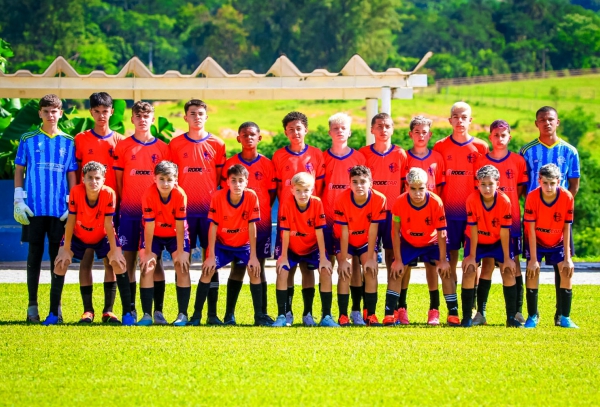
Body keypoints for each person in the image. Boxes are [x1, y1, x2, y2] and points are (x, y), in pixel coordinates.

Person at [44, 162, 134, 326]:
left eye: (97, 178)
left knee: (118, 263)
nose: (94, 181)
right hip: (78, 234)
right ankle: (55, 314)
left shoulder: (109, 193)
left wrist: (114, 250)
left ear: (103, 180)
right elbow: (70, 221)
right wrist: (65, 249)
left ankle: (124, 314)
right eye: (90, 178)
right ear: (83, 179)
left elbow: (109, 224)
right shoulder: (75, 192)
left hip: (101, 234)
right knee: (60, 263)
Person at [14, 94, 77, 323]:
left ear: (61, 113)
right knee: (34, 255)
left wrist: (72, 202)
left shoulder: (68, 141)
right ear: (40, 113)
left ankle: (55, 308)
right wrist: (18, 198)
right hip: (34, 209)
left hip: (59, 210)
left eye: (55, 111)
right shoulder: (28, 139)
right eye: (46, 111)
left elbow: (71, 173)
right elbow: (19, 168)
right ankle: (32, 307)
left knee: (57, 258)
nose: (51, 115)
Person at [188, 164, 271, 326]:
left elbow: (252, 226)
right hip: (222, 244)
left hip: (243, 245)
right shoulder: (218, 196)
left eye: (241, 181)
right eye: (234, 180)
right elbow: (213, 227)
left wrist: (253, 256)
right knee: (208, 270)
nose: (237, 184)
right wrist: (210, 255)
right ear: (227, 182)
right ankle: (197, 316)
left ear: (247, 182)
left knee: (255, 271)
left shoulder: (251, 196)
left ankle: (259, 316)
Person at [520, 106, 580, 326]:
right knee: (533, 265)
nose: (547, 123)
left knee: (563, 266)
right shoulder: (527, 151)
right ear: (536, 123)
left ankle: (561, 315)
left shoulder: (570, 150)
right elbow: (523, 185)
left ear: (558, 122)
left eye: (551, 119)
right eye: (542, 120)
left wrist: (559, 208)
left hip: (559, 219)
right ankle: (532, 315)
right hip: (535, 217)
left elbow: (574, 184)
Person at [169, 99, 226, 325]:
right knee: (182, 260)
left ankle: (211, 314)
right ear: (185, 117)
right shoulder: (175, 145)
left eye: (201, 113)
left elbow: (221, 180)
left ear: (206, 116)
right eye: (192, 113)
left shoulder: (218, 144)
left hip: (210, 214)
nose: (196, 117)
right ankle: (183, 313)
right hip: (183, 214)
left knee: (210, 260)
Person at [113, 101, 170, 323]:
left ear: (153, 119)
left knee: (155, 261)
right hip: (129, 212)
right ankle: (130, 309)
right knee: (128, 261)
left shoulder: (163, 148)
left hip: (155, 216)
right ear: (132, 119)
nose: (143, 119)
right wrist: (122, 207)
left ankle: (158, 311)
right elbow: (119, 182)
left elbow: (169, 183)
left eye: (147, 116)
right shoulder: (123, 146)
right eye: (138, 115)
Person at [433, 102, 489, 325]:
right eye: (455, 116)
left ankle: (472, 303)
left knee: (472, 261)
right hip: (447, 215)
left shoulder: (480, 147)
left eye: (463, 116)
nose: (459, 120)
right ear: (450, 120)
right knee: (448, 260)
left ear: (470, 120)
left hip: (473, 215)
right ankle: (453, 307)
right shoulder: (440, 147)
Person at [74, 92, 124, 324]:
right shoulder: (81, 139)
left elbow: (122, 176)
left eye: (106, 111)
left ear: (111, 111)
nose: (102, 115)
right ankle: (87, 310)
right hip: (85, 208)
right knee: (85, 258)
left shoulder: (121, 141)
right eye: (97, 111)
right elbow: (75, 173)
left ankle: (108, 310)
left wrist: (121, 202)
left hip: (112, 209)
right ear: (91, 112)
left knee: (110, 259)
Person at [272, 111, 325, 326]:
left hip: (311, 219)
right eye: (291, 129)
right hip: (288, 220)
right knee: (286, 267)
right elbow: (276, 189)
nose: (295, 132)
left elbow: (319, 186)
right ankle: (286, 313)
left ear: (306, 130)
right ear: (286, 132)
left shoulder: (316, 154)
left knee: (308, 269)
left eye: (299, 128)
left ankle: (308, 313)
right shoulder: (278, 156)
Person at [220, 122, 276, 325]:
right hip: (237, 224)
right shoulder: (231, 164)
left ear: (259, 138)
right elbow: (224, 192)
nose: (248, 138)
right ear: (238, 138)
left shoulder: (267, 164)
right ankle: (229, 315)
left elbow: (271, 193)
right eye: (244, 135)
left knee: (258, 266)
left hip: (260, 225)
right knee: (238, 266)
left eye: (252, 134)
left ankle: (260, 314)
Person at [475, 120, 528, 324]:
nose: (499, 138)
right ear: (490, 137)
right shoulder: (480, 161)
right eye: (496, 135)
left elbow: (521, 189)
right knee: (487, 265)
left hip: (511, 222)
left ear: (509, 137)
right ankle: (481, 313)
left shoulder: (518, 161)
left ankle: (517, 311)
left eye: (503, 135)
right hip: (487, 223)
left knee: (512, 265)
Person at [394, 115, 446, 324]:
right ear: (410, 134)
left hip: (431, 217)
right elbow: (401, 187)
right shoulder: (404, 157)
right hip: (408, 218)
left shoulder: (438, 158)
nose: (421, 135)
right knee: (404, 265)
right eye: (417, 131)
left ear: (430, 134)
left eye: (425, 131)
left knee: (432, 265)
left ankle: (434, 309)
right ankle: (401, 309)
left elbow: (439, 189)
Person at [359, 113, 407, 324]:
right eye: (379, 126)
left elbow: (406, 186)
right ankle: (367, 310)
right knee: (366, 259)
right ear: (372, 130)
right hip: (369, 215)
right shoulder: (363, 154)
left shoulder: (400, 154)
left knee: (393, 259)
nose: (383, 130)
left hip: (393, 214)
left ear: (393, 129)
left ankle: (394, 309)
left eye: (387, 126)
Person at [387, 167, 451, 326]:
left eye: (421, 188)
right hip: (409, 241)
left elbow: (442, 232)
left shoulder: (436, 201)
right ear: (406, 186)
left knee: (443, 270)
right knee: (397, 270)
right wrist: (398, 259)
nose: (417, 192)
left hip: (431, 242)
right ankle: (395, 312)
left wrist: (443, 260)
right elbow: (395, 232)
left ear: (427, 186)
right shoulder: (400, 201)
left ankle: (439, 311)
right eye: (413, 188)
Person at [461, 165, 520, 328]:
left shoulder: (504, 201)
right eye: (483, 184)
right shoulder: (472, 199)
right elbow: (472, 229)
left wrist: (508, 258)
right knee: (469, 270)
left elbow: (505, 232)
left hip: (498, 241)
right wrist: (471, 256)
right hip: (477, 240)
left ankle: (511, 317)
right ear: (477, 184)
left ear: (498, 184)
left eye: (490, 184)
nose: (487, 188)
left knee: (508, 270)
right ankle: (467, 317)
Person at [274, 172, 336, 327]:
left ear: (312, 190)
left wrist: (323, 257)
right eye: (299, 190)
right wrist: (283, 256)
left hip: (312, 247)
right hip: (291, 246)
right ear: (292, 190)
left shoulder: (317, 203)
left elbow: (319, 231)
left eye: (306, 190)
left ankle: (323, 316)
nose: (303, 194)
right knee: (283, 271)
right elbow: (285, 232)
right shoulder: (287, 203)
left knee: (325, 270)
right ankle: (283, 315)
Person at [322, 113, 366, 325]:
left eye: (344, 128)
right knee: (328, 266)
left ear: (350, 132)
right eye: (336, 128)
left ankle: (356, 311)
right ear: (330, 132)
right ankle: (329, 312)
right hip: (328, 221)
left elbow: (364, 191)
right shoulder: (323, 158)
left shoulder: (359, 158)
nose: (340, 131)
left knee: (353, 266)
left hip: (352, 223)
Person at [523, 164, 577, 328]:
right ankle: (532, 316)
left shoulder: (567, 197)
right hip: (536, 240)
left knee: (566, 271)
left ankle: (564, 317)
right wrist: (533, 259)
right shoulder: (532, 197)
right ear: (539, 181)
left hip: (558, 240)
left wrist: (568, 258)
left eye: (552, 183)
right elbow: (530, 230)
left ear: (559, 181)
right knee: (532, 272)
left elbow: (567, 228)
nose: (548, 187)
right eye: (545, 183)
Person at [137, 161, 191, 326]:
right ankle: (147, 314)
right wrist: (147, 253)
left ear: (176, 179)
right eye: (162, 179)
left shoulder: (180, 194)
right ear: (154, 178)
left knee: (181, 265)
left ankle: (182, 314)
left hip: (176, 234)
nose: (165, 183)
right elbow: (150, 225)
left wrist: (181, 252)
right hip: (154, 234)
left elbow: (180, 225)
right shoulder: (148, 194)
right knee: (148, 267)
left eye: (169, 179)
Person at [334, 165, 386, 326]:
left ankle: (370, 314)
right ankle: (343, 315)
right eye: (355, 182)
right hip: (346, 241)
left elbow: (373, 230)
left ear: (371, 183)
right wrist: (343, 259)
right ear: (349, 183)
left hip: (366, 240)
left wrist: (371, 258)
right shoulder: (341, 199)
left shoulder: (379, 199)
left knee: (370, 270)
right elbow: (343, 232)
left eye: (363, 182)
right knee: (346, 270)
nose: (359, 186)